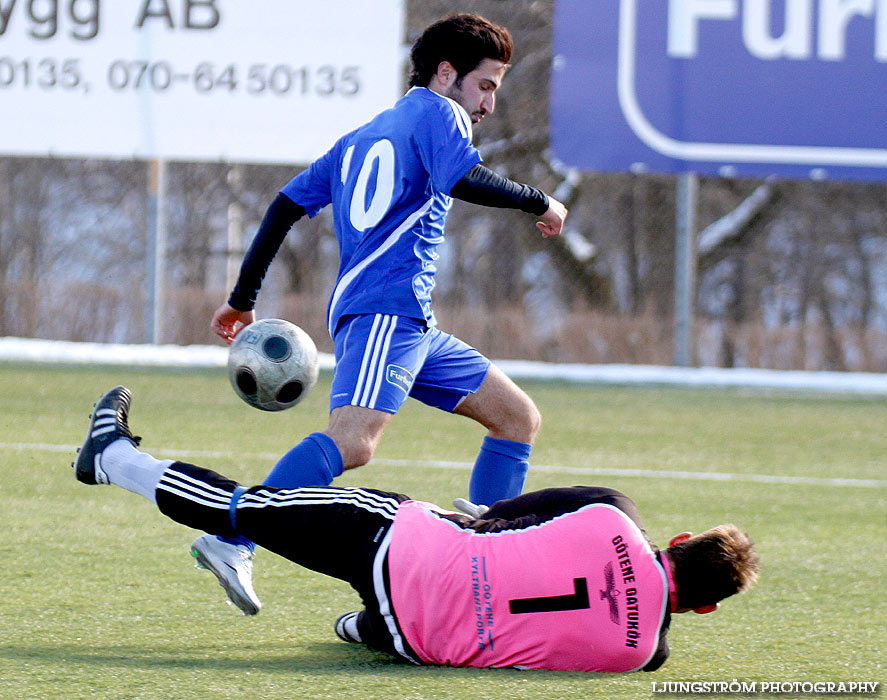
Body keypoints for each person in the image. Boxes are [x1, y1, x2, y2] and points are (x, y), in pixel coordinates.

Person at [196, 12, 570, 615]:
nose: (489, 104)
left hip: (411, 322)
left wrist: (242, 299)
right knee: (354, 442)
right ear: (447, 74)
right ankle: (231, 534)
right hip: (384, 313)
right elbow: (461, 177)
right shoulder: (438, 111)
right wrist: (540, 201)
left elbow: (283, 205)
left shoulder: (363, 135)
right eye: (486, 84)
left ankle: (484, 558)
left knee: (516, 418)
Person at [73, 387, 760, 673]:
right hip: (416, 641)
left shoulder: (612, 511)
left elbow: (493, 515)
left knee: (250, 509)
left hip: (403, 549)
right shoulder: (645, 658)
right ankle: (357, 627)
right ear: (700, 606)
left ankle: (112, 458)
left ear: (677, 540)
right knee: (409, 619)